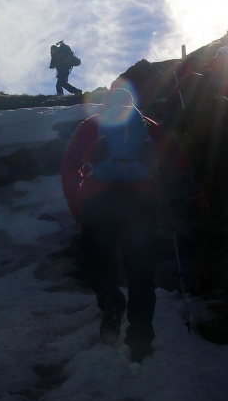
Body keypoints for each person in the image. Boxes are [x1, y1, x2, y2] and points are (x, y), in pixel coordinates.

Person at [60, 83, 160, 362]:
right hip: (141, 202)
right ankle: (140, 342)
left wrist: (78, 209)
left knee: (98, 260)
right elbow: (176, 160)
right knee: (141, 271)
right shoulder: (147, 124)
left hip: (99, 200)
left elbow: (68, 169)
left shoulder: (91, 124)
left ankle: (109, 297)